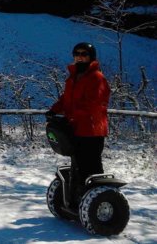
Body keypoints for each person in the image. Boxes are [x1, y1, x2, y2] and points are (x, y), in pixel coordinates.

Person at [46, 42, 111, 203]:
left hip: (92, 130)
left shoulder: (97, 78)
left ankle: (99, 202)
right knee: (78, 165)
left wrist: (72, 115)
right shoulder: (73, 77)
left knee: (91, 166)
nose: (80, 57)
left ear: (91, 57)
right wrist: (54, 110)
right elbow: (66, 99)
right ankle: (79, 199)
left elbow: (94, 105)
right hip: (76, 128)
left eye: (84, 54)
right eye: (77, 54)